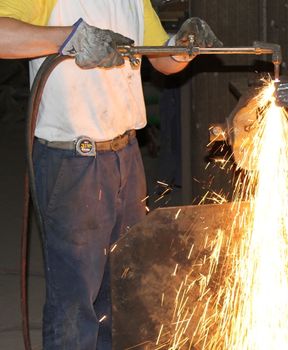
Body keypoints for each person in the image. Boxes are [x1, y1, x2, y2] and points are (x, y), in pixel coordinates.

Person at [0, 1, 221, 349]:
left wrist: (184, 48)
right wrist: (69, 38)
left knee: (122, 291)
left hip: (126, 157)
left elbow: (160, 59)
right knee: (76, 303)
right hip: (73, 160)